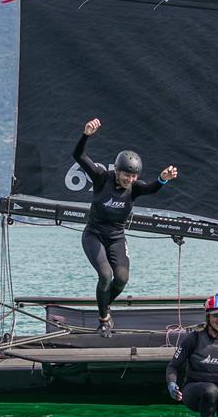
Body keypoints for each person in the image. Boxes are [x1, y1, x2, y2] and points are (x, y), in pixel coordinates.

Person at [73, 118, 178, 337]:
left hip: (116, 237)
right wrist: (86, 135)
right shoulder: (102, 178)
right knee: (105, 276)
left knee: (121, 279)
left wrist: (163, 179)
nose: (130, 179)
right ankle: (103, 320)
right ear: (117, 170)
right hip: (94, 235)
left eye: (134, 176)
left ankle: (104, 306)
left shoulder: (135, 187)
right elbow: (79, 157)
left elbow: (151, 189)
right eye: (126, 174)